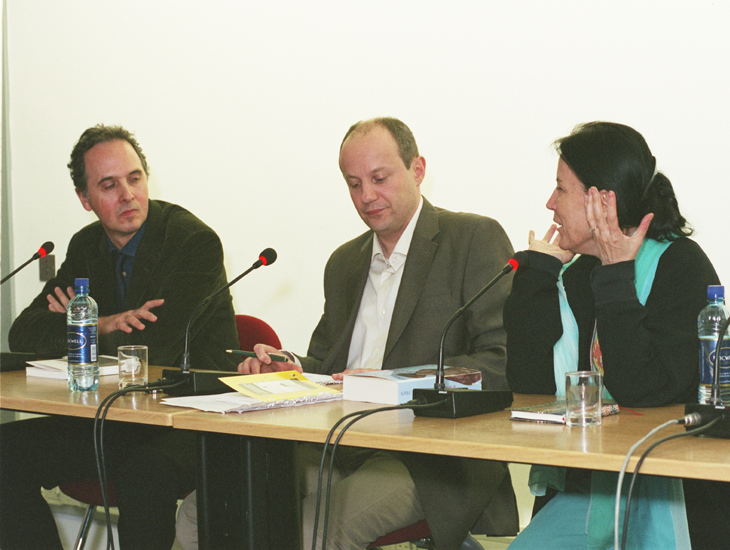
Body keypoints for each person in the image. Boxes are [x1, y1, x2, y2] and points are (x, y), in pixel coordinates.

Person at [176, 117, 519, 550]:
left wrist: (393, 382)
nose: (366, 196)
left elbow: (500, 361)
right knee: (200, 513)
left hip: (424, 456)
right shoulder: (344, 262)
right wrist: (290, 367)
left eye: (379, 179)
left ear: (417, 170)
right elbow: (330, 367)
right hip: (338, 442)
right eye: (353, 184)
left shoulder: (471, 238)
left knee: (308, 533)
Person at [502, 121, 730, 549]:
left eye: (561, 189)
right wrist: (538, 278)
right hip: (592, 486)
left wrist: (618, 276)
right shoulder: (579, 273)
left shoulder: (681, 266)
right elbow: (530, 387)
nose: (549, 203)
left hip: (678, 495)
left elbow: (642, 391)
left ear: (603, 199)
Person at [0, 124, 240, 550]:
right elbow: (25, 332)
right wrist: (106, 323)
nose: (128, 194)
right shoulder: (87, 246)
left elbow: (156, 350)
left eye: (135, 178)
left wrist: (78, 325)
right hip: (116, 419)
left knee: (144, 471)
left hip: (189, 420)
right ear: (85, 199)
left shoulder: (192, 242)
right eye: (109, 185)